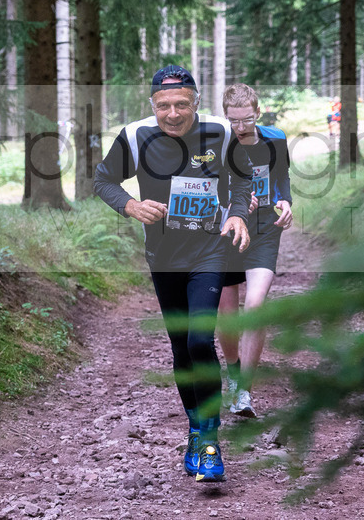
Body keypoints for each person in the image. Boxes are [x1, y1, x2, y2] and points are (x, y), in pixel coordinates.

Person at [94, 65, 252, 483]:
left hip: (209, 251)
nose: (173, 113)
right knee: (181, 346)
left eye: (182, 104)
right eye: (164, 105)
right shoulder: (135, 135)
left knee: (200, 337)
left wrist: (237, 216)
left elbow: (240, 181)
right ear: (153, 105)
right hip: (163, 255)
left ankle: (211, 442)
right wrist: (130, 206)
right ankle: (195, 428)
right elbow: (103, 179)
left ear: (196, 102)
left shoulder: (219, 132)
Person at [217, 83, 293, 418]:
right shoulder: (218, 142)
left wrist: (286, 201)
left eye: (246, 120)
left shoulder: (275, 138)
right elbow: (211, 185)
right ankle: (233, 374)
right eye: (233, 121)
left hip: (264, 229)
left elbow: (282, 178)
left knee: (256, 305)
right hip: (227, 230)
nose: (240, 127)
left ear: (257, 113)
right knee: (229, 312)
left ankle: (245, 391)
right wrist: (231, 202)